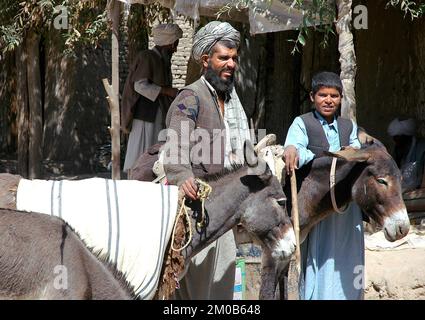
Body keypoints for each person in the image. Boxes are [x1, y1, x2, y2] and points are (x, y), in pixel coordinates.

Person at [162, 21, 251, 299]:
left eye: (234, 58)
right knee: (196, 287)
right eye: (223, 57)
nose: (231, 64)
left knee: (221, 284)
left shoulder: (231, 99)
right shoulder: (192, 96)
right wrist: (182, 175)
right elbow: (176, 140)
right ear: (205, 60)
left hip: (224, 206)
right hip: (196, 207)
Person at [283, 71, 364, 300]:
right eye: (323, 95)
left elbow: (356, 151)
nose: (329, 100)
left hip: (346, 207)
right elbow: (294, 147)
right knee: (319, 255)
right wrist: (292, 151)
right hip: (319, 203)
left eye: (334, 96)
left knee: (347, 255)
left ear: (340, 99)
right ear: (312, 97)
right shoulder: (302, 123)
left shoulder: (349, 126)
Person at [121, 23, 183, 178]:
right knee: (141, 154)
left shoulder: (162, 60)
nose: (175, 49)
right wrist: (167, 91)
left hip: (158, 114)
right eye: (175, 44)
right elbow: (140, 86)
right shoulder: (147, 57)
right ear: (168, 43)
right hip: (145, 116)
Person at [387, 118, 425, 191]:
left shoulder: (421, 149)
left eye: (397, 137)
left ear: (406, 136)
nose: (395, 141)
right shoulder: (398, 150)